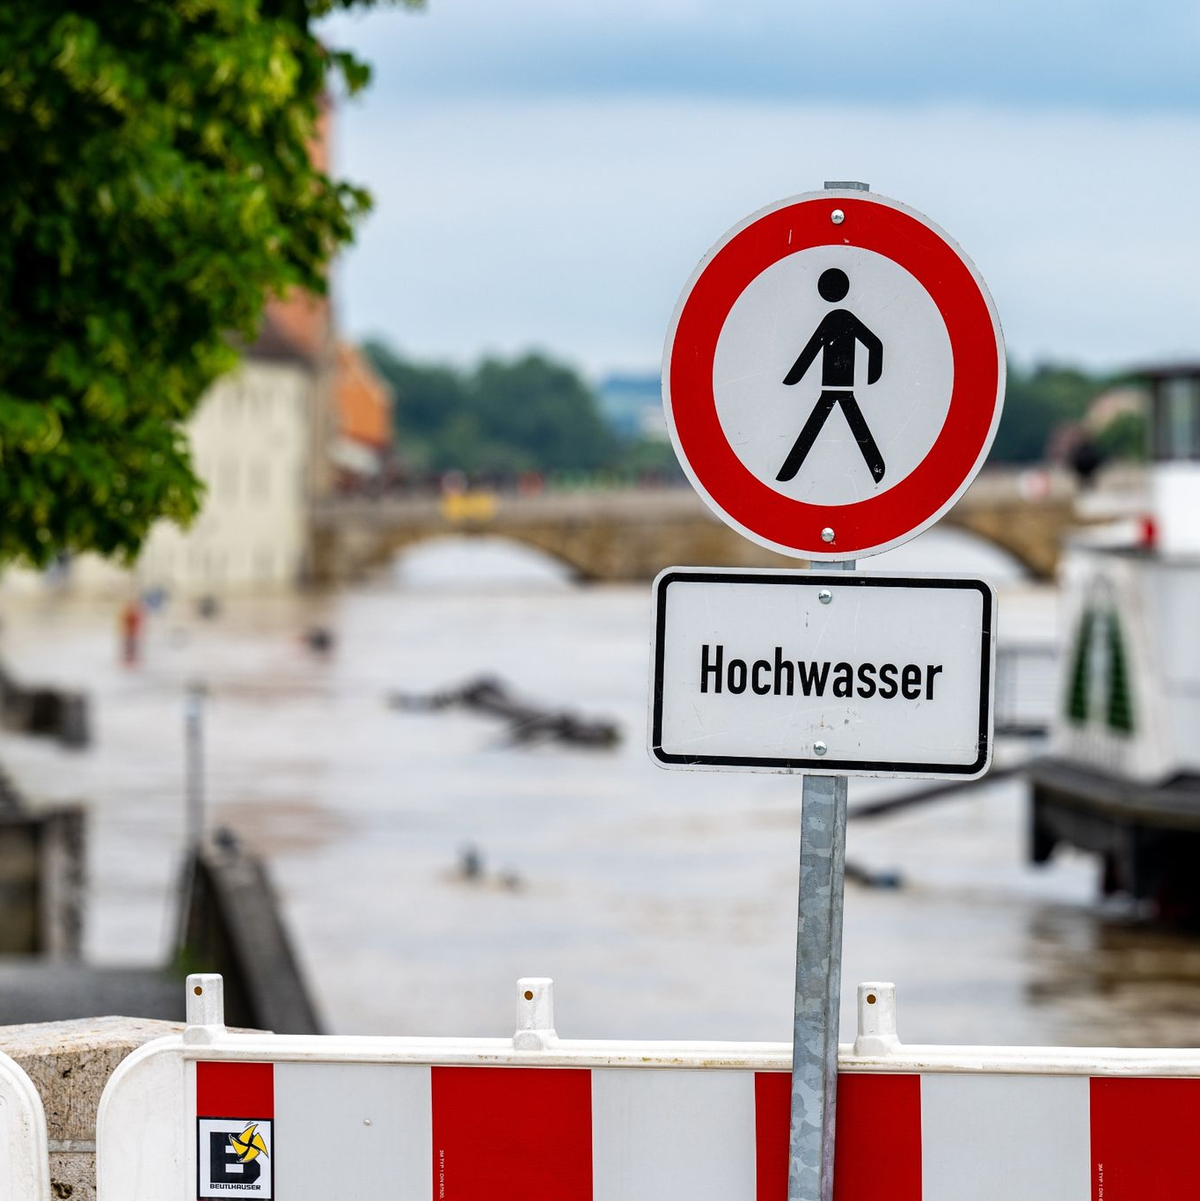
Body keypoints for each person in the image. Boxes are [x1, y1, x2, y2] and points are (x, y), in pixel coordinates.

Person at [779, 267, 885, 483]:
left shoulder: (837, 319)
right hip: (840, 387)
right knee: (848, 426)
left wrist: (794, 377)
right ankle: (878, 470)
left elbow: (811, 350)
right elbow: (875, 345)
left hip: (835, 387)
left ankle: (787, 472)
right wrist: (871, 376)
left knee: (818, 427)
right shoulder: (843, 318)